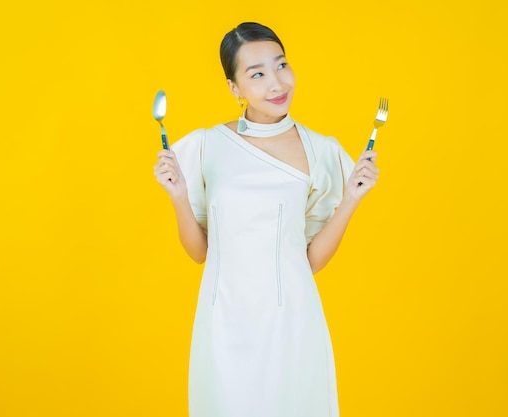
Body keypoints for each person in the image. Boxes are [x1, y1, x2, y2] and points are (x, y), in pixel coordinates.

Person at [154, 22, 379, 417]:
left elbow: (309, 261)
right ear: (234, 88)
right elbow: (198, 252)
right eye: (257, 74)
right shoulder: (207, 145)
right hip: (222, 318)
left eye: (281, 65)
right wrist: (177, 196)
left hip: (291, 318)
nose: (276, 83)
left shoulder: (320, 150)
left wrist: (351, 200)